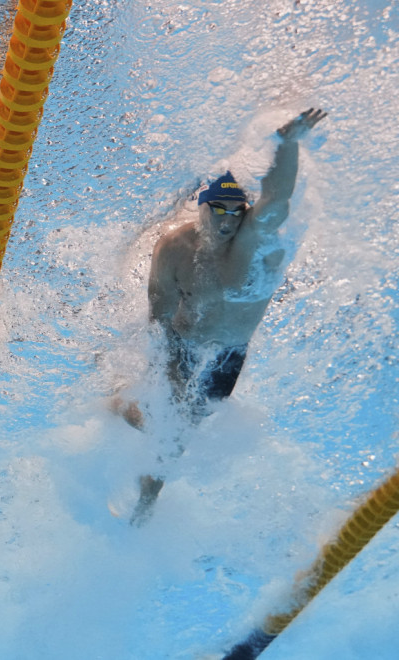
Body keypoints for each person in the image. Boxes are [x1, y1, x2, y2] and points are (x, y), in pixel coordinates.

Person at [120, 108, 328, 524]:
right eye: (221, 211)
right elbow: (158, 308)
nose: (230, 220)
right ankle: (144, 507)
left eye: (238, 211)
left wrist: (287, 144)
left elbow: (277, 198)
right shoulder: (175, 248)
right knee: (172, 429)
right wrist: (158, 363)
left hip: (229, 354)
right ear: (201, 209)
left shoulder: (254, 237)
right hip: (184, 343)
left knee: (178, 424)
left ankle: (124, 407)